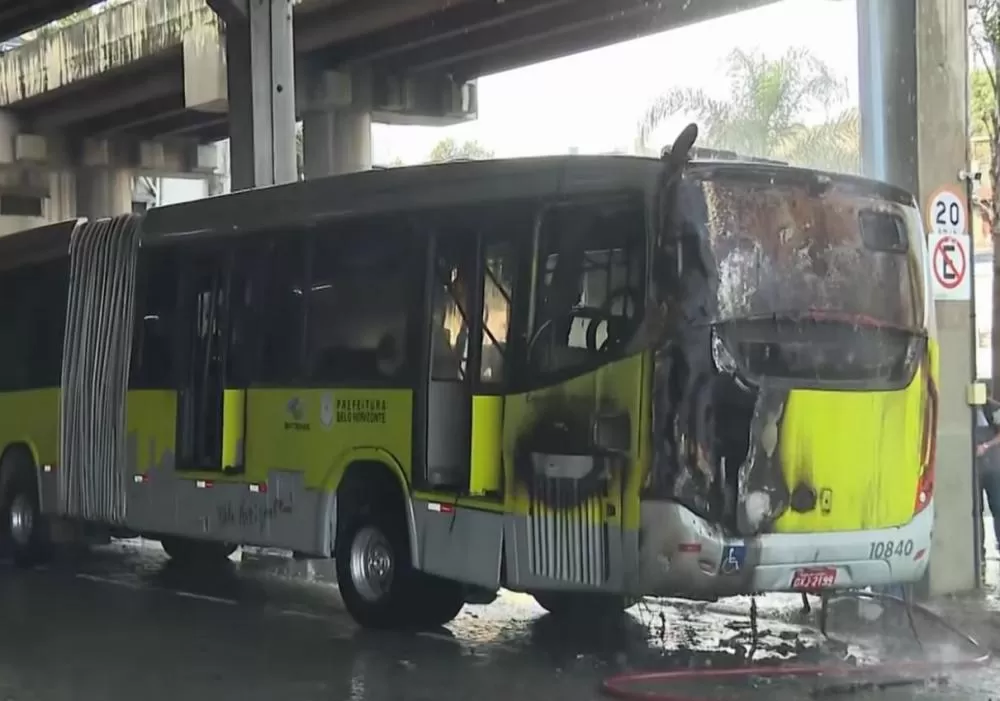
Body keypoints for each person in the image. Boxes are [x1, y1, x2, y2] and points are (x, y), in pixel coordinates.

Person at [974, 395, 1000, 566]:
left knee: (998, 507)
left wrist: (986, 446)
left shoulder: (993, 408)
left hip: (993, 467)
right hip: (973, 470)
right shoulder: (962, 410)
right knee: (976, 510)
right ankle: (979, 553)